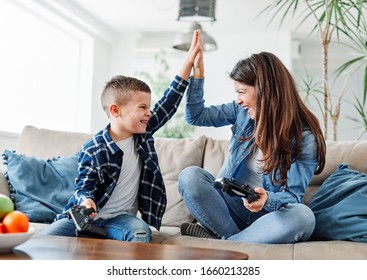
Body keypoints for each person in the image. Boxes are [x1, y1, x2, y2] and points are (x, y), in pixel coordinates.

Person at [40, 30, 203, 243]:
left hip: (121, 219)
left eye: (149, 107)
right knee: (45, 238)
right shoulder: (95, 147)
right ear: (116, 110)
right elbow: (83, 186)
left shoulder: (142, 136)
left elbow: (169, 101)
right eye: (143, 107)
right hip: (86, 218)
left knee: (141, 233)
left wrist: (188, 63)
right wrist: (87, 200)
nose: (149, 113)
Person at [178, 49, 326, 243]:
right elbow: (195, 116)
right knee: (190, 176)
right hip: (229, 209)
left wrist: (267, 199)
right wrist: (197, 74)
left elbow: (293, 196)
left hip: (269, 218)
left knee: (303, 216)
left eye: (242, 92)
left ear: (266, 90)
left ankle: (227, 242)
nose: (238, 99)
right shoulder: (241, 111)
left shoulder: (305, 138)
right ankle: (238, 239)